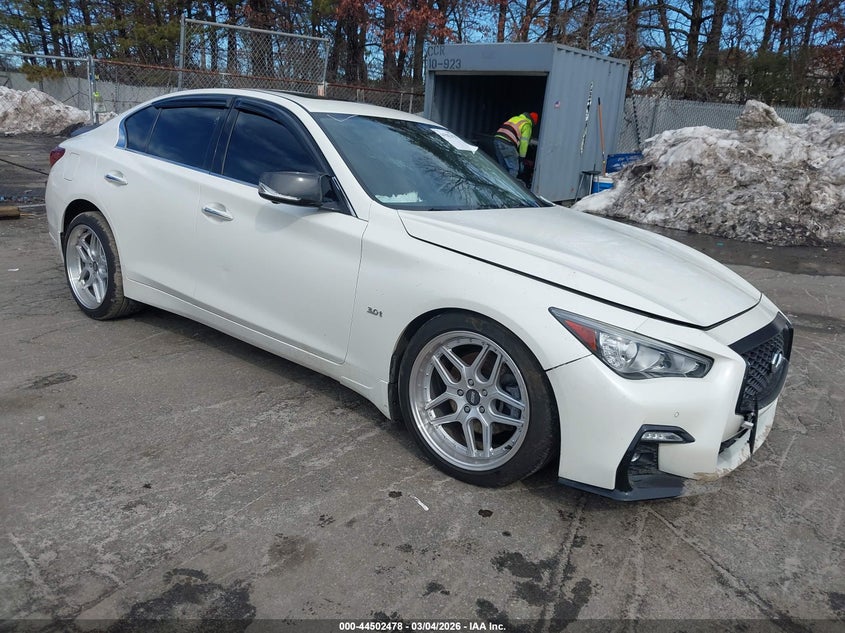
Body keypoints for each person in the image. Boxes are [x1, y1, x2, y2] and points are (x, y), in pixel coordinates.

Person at [493, 111, 538, 177]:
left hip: (497, 140)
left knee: (502, 168)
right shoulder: (527, 125)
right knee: (514, 169)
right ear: (533, 122)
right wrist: (522, 157)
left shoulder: (516, 118)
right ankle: (508, 186)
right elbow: (524, 143)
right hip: (507, 143)